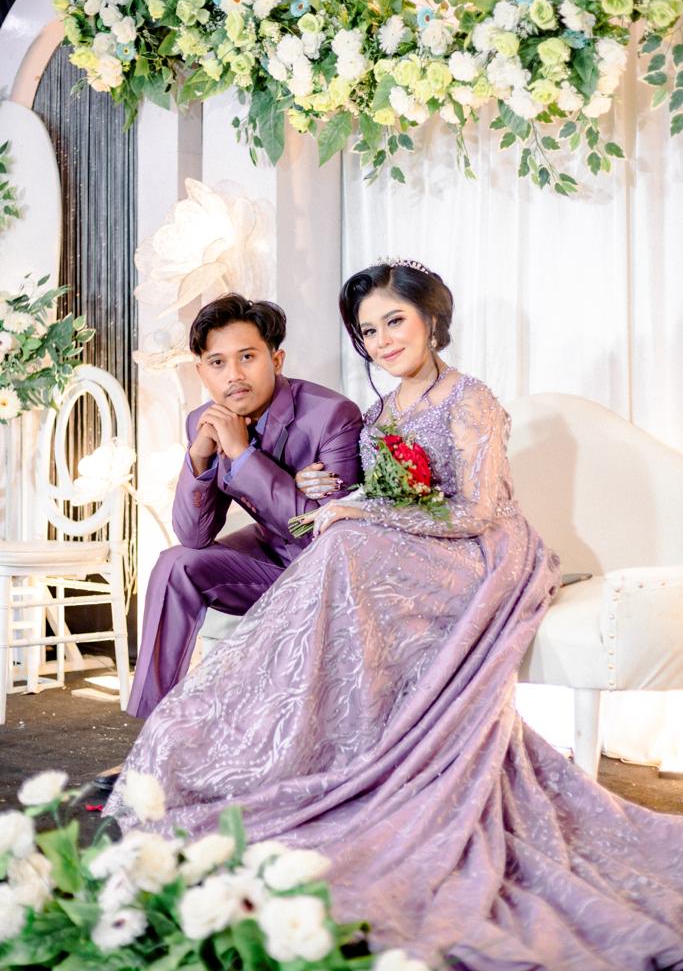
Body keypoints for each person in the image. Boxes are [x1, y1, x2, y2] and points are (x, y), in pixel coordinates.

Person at [106, 262, 683, 970]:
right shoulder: (380, 412)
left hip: (480, 550)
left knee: (347, 542)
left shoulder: (457, 400)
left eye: (394, 322)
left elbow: (472, 509)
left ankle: (316, 745)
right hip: (377, 543)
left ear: (431, 320)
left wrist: (339, 504)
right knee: (235, 555)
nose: (381, 339)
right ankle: (186, 741)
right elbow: (236, 524)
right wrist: (313, 491)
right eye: (368, 329)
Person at [127, 293, 363, 720]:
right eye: (217, 362)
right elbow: (194, 535)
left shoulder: (333, 416)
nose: (233, 375)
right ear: (201, 371)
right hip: (269, 555)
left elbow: (327, 535)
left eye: (247, 357)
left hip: (326, 571)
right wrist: (200, 456)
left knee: (323, 544)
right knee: (175, 563)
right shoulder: (204, 421)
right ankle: (155, 723)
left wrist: (242, 455)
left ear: (277, 359)